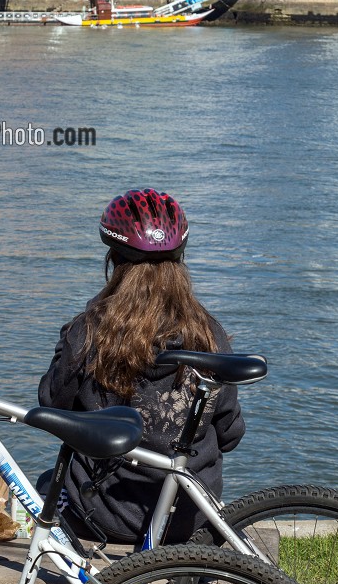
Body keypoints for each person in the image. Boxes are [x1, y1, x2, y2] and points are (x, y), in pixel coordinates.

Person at [37, 190, 245, 545]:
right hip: (189, 518)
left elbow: (52, 404)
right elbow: (230, 434)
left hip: (106, 517)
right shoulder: (209, 336)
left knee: (44, 484)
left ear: (114, 259)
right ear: (181, 260)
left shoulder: (88, 332)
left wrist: (88, 319)